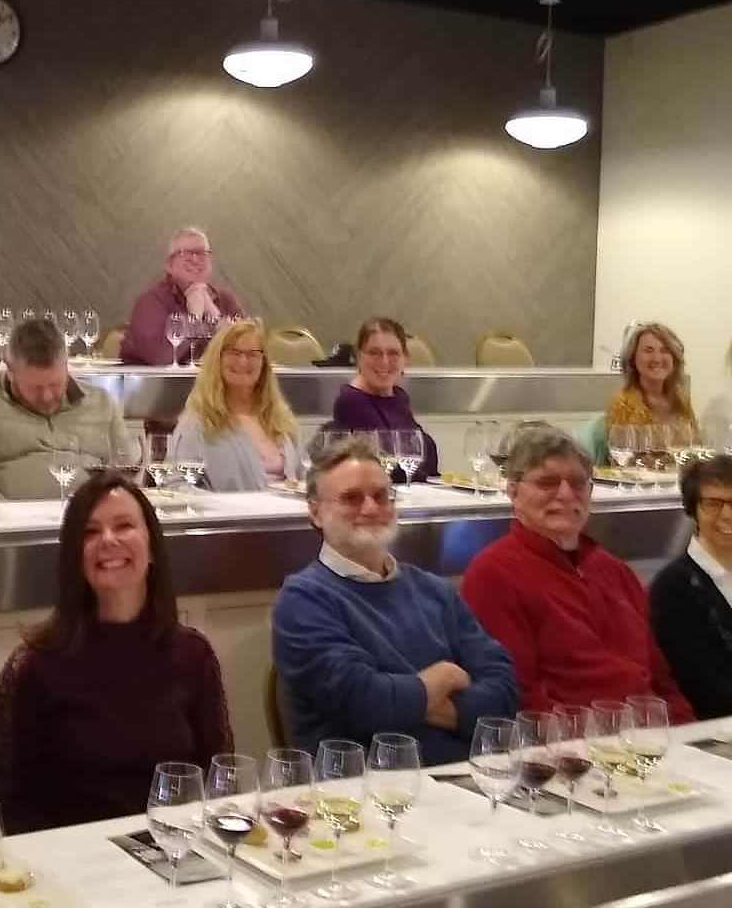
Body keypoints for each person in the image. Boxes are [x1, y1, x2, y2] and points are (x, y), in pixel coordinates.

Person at [0, 471, 232, 833]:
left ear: (152, 546)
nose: (108, 540)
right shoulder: (36, 664)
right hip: (75, 864)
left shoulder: (193, 655)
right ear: (75, 558)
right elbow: (11, 805)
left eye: (124, 525)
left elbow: (217, 783)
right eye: (90, 532)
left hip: (173, 852)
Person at [272, 436, 516, 763]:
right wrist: (443, 678)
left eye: (382, 496)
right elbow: (366, 703)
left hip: (464, 778)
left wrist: (409, 699)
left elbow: (505, 691)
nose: (371, 508)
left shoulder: (434, 590)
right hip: (360, 791)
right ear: (316, 512)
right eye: (351, 498)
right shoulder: (303, 600)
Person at [461, 426, 693, 721]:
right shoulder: (492, 575)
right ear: (513, 492)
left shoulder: (615, 570)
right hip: (571, 746)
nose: (566, 494)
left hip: (648, 739)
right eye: (547, 482)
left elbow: (660, 678)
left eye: (578, 483)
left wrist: (689, 737)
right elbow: (522, 698)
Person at [0, 318, 133, 501]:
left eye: (55, 384)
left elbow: (126, 478)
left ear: (67, 367)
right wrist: (14, 522)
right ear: (10, 372)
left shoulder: (102, 403)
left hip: (91, 527)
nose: (47, 396)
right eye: (35, 388)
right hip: (9, 527)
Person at [171, 318, 300, 490]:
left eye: (252, 354)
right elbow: (178, 485)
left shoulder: (282, 420)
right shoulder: (197, 424)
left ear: (264, 363)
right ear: (217, 360)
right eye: (234, 353)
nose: (243, 362)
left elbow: (303, 477)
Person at [649, 456, 732, 719]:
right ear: (692, 509)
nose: (728, 515)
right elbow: (702, 687)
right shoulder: (673, 588)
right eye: (713, 504)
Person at [330, 317, 438, 480]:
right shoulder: (352, 402)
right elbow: (390, 468)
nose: (384, 361)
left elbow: (426, 458)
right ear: (359, 357)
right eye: (374, 353)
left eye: (393, 353)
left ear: (405, 359)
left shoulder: (399, 397)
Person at [120, 227, 243, 366]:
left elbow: (245, 353)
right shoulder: (151, 302)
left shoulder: (226, 300)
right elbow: (161, 358)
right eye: (186, 253)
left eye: (202, 253)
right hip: (152, 385)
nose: (195, 259)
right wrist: (194, 319)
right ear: (169, 265)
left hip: (212, 385)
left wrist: (213, 313)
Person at [606, 322, 698, 434]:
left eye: (665, 350)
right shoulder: (622, 406)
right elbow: (622, 448)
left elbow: (696, 444)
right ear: (633, 359)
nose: (657, 358)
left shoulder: (681, 401)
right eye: (648, 350)